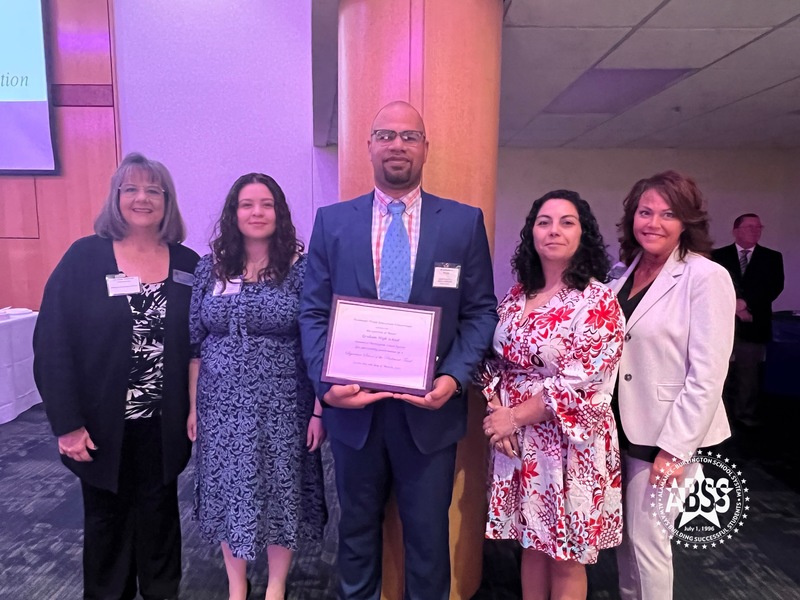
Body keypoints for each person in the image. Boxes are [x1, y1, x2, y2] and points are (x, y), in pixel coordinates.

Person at [298, 101, 498, 600]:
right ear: (368, 145)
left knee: (429, 540)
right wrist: (327, 387)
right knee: (356, 536)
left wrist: (452, 379)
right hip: (353, 412)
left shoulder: (461, 223)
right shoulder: (332, 223)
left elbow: (480, 313)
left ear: (425, 149)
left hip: (429, 412)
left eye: (410, 137)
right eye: (386, 134)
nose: (397, 145)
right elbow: (313, 313)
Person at [33, 152, 199, 600]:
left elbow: (198, 346)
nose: (142, 198)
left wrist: (196, 407)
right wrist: (65, 424)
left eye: (153, 190)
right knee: (106, 524)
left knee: (161, 519)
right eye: (132, 189)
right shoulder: (85, 258)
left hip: (162, 424)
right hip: (101, 425)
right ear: (117, 197)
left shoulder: (187, 263)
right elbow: (52, 344)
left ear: (167, 201)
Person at [479, 190, 625, 600]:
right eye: (544, 221)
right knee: (531, 544)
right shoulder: (516, 294)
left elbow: (583, 382)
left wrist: (514, 417)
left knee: (566, 555)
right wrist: (496, 411)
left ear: (584, 234)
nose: (554, 230)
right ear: (532, 233)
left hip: (567, 444)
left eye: (567, 221)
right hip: (517, 441)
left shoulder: (597, 301)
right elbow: (494, 361)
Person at [188, 173, 326, 600]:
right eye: (247, 204)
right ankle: (236, 584)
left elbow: (320, 341)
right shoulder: (208, 266)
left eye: (266, 204)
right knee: (233, 490)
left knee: (281, 488)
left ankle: (278, 585)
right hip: (220, 405)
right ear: (234, 213)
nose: (257, 212)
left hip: (283, 402)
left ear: (279, 212)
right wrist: (194, 407)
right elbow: (196, 342)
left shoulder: (301, 269)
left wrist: (320, 410)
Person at [608, 171, 736, 600]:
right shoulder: (623, 275)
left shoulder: (706, 276)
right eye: (645, 212)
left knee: (649, 546)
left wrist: (675, 448)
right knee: (626, 542)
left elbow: (708, 374)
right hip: (620, 427)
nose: (654, 223)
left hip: (665, 435)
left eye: (668, 214)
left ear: (687, 222)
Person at [711, 213, 784, 427]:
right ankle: (715, 415)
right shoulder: (717, 256)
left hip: (754, 324)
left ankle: (745, 414)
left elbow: (773, 287)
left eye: (758, 227)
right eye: (749, 226)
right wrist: (733, 306)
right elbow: (712, 286)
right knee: (715, 372)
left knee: (748, 374)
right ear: (736, 231)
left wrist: (745, 303)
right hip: (720, 324)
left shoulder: (772, 257)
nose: (755, 230)